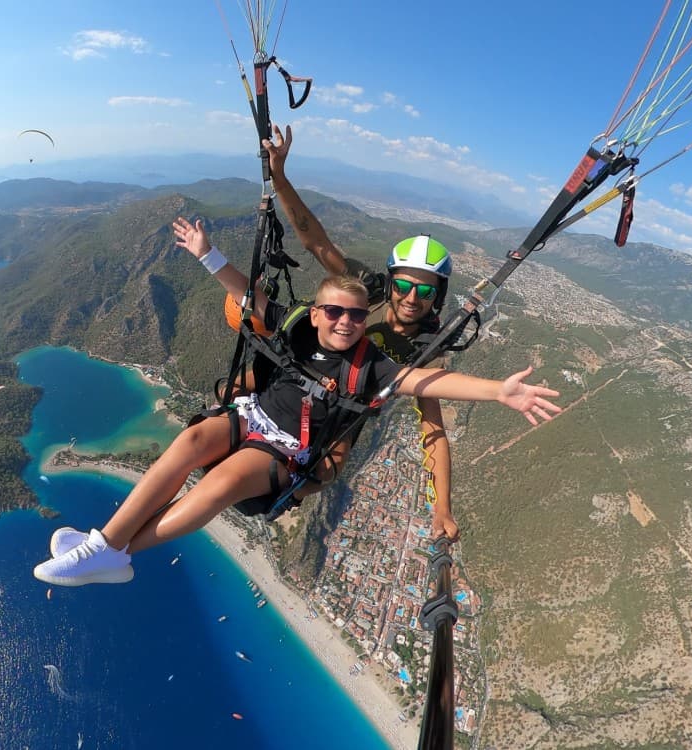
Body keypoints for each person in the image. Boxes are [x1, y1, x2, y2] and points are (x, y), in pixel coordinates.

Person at [32, 217, 561, 587]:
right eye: (334, 313)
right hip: (255, 414)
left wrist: (498, 392)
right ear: (317, 312)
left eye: (355, 318)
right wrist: (206, 253)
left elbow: (429, 387)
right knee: (191, 439)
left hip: (295, 449)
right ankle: (104, 545)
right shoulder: (300, 328)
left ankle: (115, 554)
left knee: (222, 482)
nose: (345, 323)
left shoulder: (375, 364)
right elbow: (252, 292)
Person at [263, 123, 462, 541]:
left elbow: (434, 431)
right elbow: (315, 240)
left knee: (327, 468)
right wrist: (279, 178)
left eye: (424, 290)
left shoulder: (425, 351)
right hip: (306, 368)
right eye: (403, 285)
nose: (411, 297)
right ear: (390, 283)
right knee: (247, 387)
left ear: (437, 297)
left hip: (344, 406)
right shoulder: (366, 291)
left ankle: (288, 491)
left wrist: (442, 506)